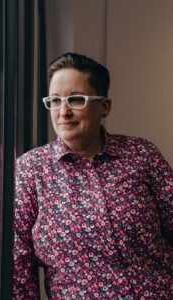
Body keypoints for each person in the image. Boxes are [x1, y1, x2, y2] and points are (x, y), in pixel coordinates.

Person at [13, 52, 173, 299]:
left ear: (104, 107)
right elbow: (19, 263)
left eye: (76, 99)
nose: (63, 112)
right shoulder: (30, 170)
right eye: (55, 101)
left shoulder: (142, 154)